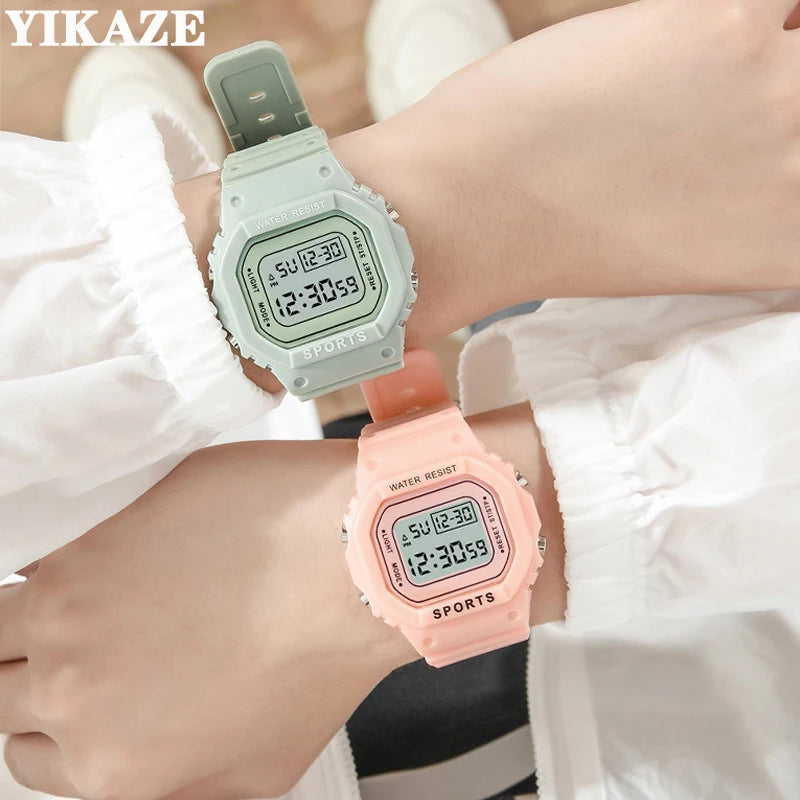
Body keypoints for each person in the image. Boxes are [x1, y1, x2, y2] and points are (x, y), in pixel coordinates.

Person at [1, 0, 800, 798]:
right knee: (558, 329)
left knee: (114, 440)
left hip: (136, 635)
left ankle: (212, 247)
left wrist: (161, 283)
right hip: (714, 661)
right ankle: (345, 226)